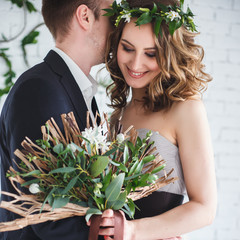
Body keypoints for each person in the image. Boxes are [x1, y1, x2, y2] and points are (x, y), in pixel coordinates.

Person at [89, 0, 217, 239]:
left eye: (151, 54)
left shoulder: (186, 109)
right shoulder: (119, 115)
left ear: (170, 55)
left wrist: (133, 231)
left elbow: (205, 208)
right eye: (127, 48)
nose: (136, 64)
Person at [0, 0, 112, 239]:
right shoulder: (39, 90)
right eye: (111, 15)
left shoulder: (75, 90)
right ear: (85, 16)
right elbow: (48, 214)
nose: (117, 27)